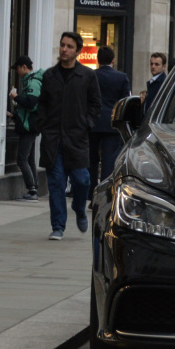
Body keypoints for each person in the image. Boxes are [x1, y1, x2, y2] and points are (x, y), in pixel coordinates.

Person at [39, 32, 101, 240]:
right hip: (53, 138)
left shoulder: (87, 76)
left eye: (69, 46)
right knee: (56, 182)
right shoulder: (49, 76)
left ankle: (79, 207)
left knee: (82, 180)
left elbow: (95, 104)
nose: (64, 49)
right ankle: (58, 226)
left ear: (78, 51)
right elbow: (43, 105)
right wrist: (44, 125)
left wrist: (87, 123)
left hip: (77, 137)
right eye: (62, 45)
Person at [89, 45, 131, 195]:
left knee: (91, 160)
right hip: (111, 124)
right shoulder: (121, 77)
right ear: (113, 60)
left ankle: (90, 192)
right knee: (108, 161)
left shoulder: (91, 75)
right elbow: (125, 100)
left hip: (93, 124)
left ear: (98, 59)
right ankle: (104, 194)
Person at [9, 56, 42, 202]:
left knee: (22, 159)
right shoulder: (30, 81)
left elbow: (30, 103)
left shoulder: (33, 83)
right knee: (29, 159)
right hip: (31, 125)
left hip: (29, 127)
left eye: (17, 68)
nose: (16, 71)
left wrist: (15, 97)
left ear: (23, 67)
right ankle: (34, 188)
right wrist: (14, 115)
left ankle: (32, 190)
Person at [144, 52, 167, 117]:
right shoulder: (153, 82)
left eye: (157, 64)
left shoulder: (163, 83)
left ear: (164, 67)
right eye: (151, 64)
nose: (153, 67)